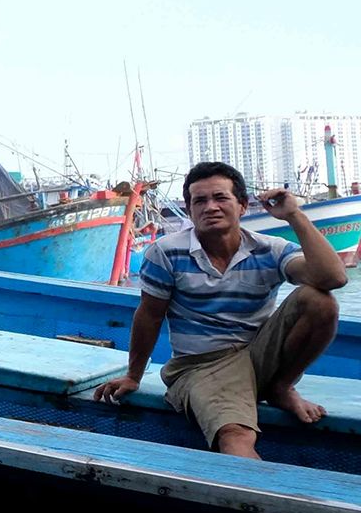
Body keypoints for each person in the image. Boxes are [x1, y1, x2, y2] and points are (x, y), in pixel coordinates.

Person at [94, 161, 347, 458]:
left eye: (220, 198)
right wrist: (133, 376)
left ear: (242, 206)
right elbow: (149, 315)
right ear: (190, 211)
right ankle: (256, 487)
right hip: (202, 365)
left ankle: (281, 387)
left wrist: (294, 216)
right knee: (236, 435)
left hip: (257, 355)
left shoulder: (269, 249)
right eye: (199, 201)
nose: (210, 207)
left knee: (319, 301)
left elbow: (333, 278)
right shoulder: (167, 253)